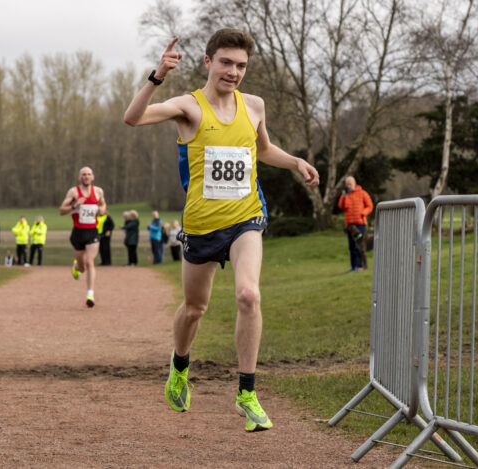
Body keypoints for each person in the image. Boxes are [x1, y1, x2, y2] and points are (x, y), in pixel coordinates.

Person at [124, 29, 320, 432]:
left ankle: (246, 393)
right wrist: (157, 75)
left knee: (249, 294)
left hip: (246, 217)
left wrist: (295, 161)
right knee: (195, 308)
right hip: (200, 226)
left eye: (241, 65)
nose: (233, 72)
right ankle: (180, 364)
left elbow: (262, 150)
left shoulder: (255, 106)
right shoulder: (188, 107)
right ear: (208, 62)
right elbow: (134, 117)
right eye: (226, 63)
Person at [59, 166, 107, 308]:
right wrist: (74, 205)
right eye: (83, 174)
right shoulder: (73, 192)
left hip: (92, 231)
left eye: (88, 174)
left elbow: (103, 205)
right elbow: (61, 211)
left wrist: (102, 210)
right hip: (78, 233)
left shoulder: (98, 191)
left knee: (89, 261)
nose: (86, 176)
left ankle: (90, 294)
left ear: (93, 177)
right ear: (80, 177)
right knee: (82, 266)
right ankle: (76, 266)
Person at [337, 176, 373, 272]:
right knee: (352, 246)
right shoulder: (345, 195)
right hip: (350, 225)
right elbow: (341, 206)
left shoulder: (362, 193)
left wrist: (363, 213)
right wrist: (343, 196)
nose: (348, 186)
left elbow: (370, 206)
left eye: (350, 184)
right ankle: (354, 267)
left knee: (360, 246)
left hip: (360, 224)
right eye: (347, 184)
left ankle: (361, 266)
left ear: (354, 183)